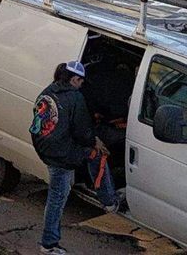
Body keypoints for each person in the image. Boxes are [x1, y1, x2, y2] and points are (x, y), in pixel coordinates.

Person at [30, 60, 122, 255]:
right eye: (80, 81)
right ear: (73, 79)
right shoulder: (75, 97)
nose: (82, 85)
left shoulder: (48, 91)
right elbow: (83, 131)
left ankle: (106, 199)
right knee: (58, 196)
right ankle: (49, 244)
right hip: (61, 154)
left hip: (45, 148)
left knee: (90, 157)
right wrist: (96, 140)